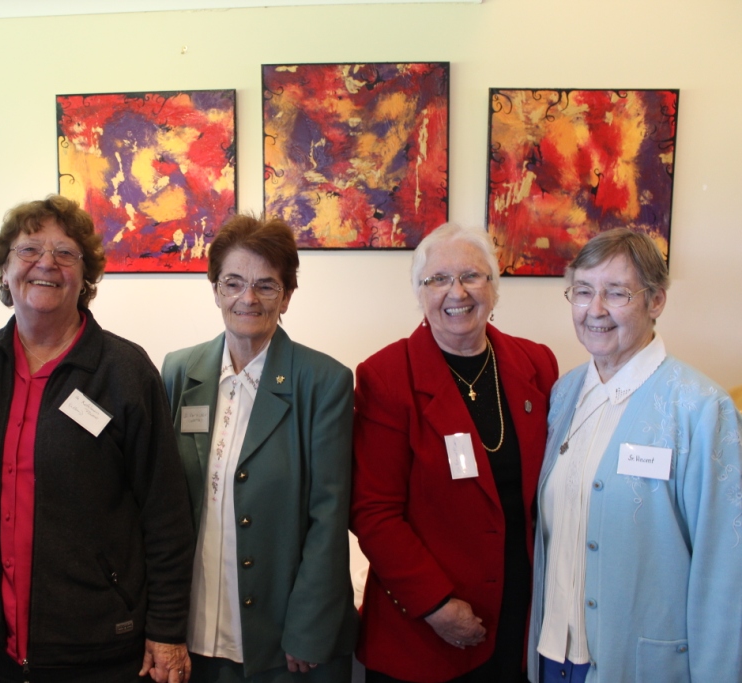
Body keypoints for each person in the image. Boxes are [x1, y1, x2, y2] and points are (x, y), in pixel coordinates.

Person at [0, 194, 194, 683]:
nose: (46, 263)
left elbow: (166, 512)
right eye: (29, 250)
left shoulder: (125, 372)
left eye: (65, 253)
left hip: (99, 648)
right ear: (4, 269)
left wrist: (168, 629)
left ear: (85, 276)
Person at [527, 228, 742, 683]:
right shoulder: (564, 395)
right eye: (583, 291)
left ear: (656, 301)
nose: (595, 310)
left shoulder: (701, 409)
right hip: (554, 657)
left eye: (617, 292)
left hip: (643, 666)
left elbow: (726, 572)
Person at [351, 223, 559, 683]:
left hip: (518, 618)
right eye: (438, 279)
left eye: (472, 276)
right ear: (419, 293)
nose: (457, 291)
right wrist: (435, 605)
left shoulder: (537, 364)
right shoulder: (386, 376)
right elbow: (373, 511)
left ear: (494, 287)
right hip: (423, 633)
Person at [162, 214, 358, 682]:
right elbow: (160, 502)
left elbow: (329, 517)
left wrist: (310, 629)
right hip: (192, 630)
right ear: (214, 289)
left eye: (266, 286)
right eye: (232, 282)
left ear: (287, 296)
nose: (247, 298)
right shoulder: (178, 371)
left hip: (283, 640)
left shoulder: (324, 382)